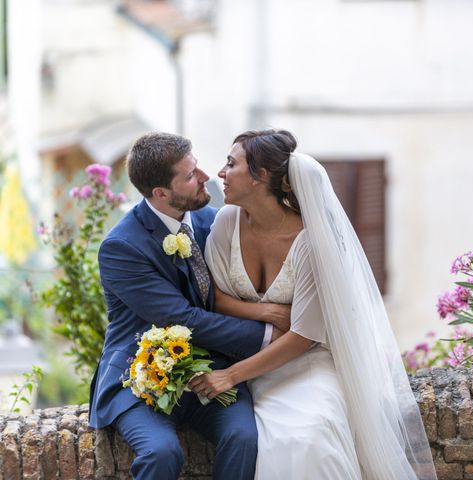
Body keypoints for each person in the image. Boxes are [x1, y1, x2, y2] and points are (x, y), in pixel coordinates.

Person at [192, 129, 437, 479]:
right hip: (248, 362)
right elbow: (214, 298)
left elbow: (303, 336)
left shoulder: (311, 242)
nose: (221, 173)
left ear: (261, 177)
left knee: (309, 437)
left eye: (231, 164)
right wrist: (268, 312)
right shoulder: (226, 222)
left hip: (304, 365)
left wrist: (229, 376)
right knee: (265, 443)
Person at [88, 132, 290, 480]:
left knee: (243, 438)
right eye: (190, 175)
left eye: (197, 167)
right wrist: (271, 334)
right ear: (161, 193)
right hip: (138, 379)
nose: (205, 177)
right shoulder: (122, 247)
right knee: (161, 452)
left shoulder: (214, 222)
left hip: (212, 371)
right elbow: (183, 318)